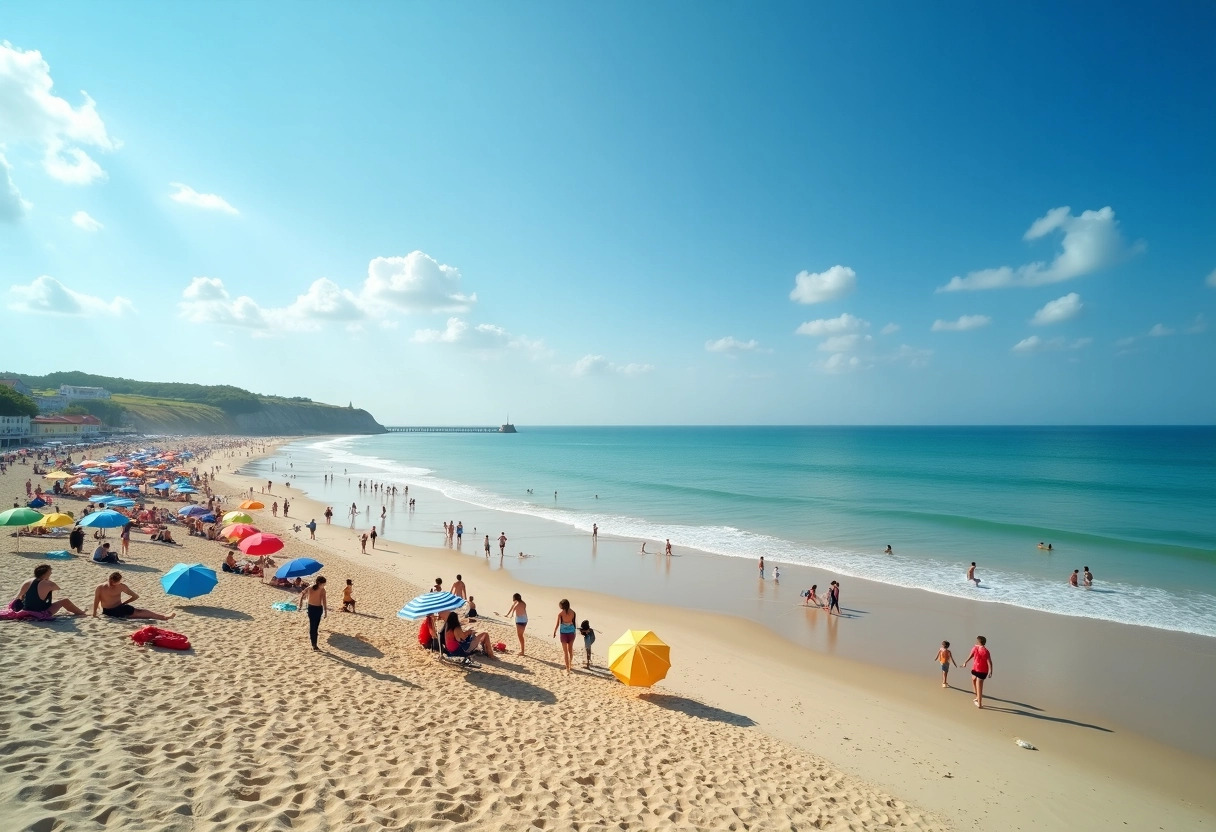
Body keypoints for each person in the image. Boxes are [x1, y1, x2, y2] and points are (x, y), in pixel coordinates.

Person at [92, 572, 175, 621]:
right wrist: (94, 613)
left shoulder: (104, 587)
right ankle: (164, 617)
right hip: (113, 611)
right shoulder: (104, 587)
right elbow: (96, 601)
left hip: (112, 610)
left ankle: (163, 617)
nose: (114, 583)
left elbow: (135, 596)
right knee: (140, 612)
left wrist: (124, 602)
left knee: (138, 612)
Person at [13, 565, 86, 616]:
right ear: (46, 573)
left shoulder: (27, 581)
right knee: (65, 601)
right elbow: (57, 588)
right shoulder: (48, 584)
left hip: (26, 609)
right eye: (50, 572)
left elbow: (19, 596)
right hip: (40, 612)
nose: (51, 573)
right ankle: (81, 613)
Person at [961, 635, 993, 708]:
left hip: (982, 671)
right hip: (975, 669)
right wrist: (965, 662)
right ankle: (977, 697)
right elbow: (971, 655)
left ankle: (980, 704)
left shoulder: (985, 651)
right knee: (973, 679)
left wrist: (991, 671)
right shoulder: (976, 648)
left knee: (979, 687)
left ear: (978, 642)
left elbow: (989, 662)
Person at [299, 576, 328, 651]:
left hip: (312, 608)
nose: (324, 585)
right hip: (316, 609)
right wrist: (325, 612)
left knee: (313, 627)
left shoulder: (310, 587)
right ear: (320, 583)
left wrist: (300, 604)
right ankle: (314, 645)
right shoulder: (321, 590)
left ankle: (314, 645)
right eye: (324, 584)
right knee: (314, 627)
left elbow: (302, 594)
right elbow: (324, 601)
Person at [553, 598, 578, 673]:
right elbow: (574, 624)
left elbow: (558, 624)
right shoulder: (573, 612)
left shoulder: (560, 614)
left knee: (565, 651)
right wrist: (574, 632)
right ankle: (570, 664)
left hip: (563, 633)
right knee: (570, 649)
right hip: (571, 632)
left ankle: (567, 667)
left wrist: (554, 631)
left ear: (562, 606)